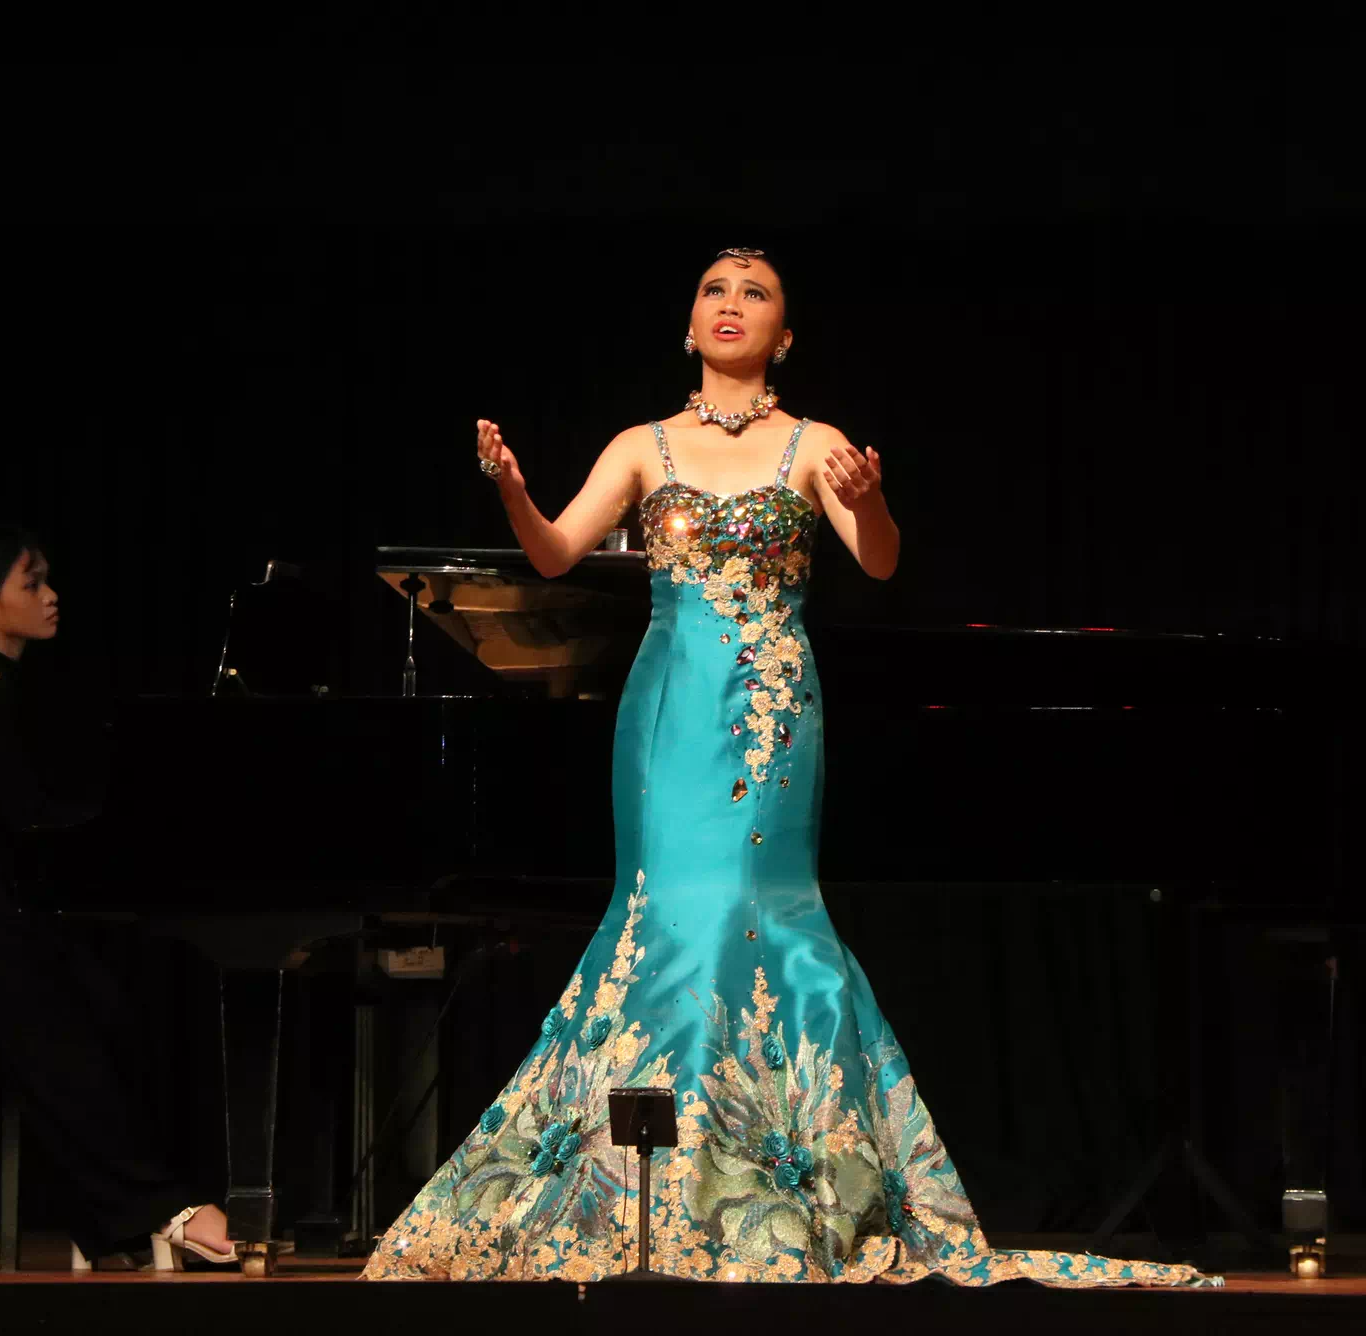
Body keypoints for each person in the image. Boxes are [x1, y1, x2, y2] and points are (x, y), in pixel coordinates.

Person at [361, 251, 1218, 1287]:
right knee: (662, 916)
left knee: (753, 911)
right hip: (668, 712)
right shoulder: (640, 444)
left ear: (785, 335)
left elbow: (878, 559)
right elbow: (552, 554)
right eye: (714, 291)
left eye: (755, 293)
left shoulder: (815, 444)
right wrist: (511, 492)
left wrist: (875, 500)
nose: (731, 305)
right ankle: (639, 1191)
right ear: (689, 325)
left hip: (769, 712)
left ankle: (766, 1179)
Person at [0, 524, 235, 1271]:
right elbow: (24, 814)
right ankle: (157, 1209)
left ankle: (109, 1218)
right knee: (61, 1028)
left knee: (107, 1004)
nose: (51, 597)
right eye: (32, 584)